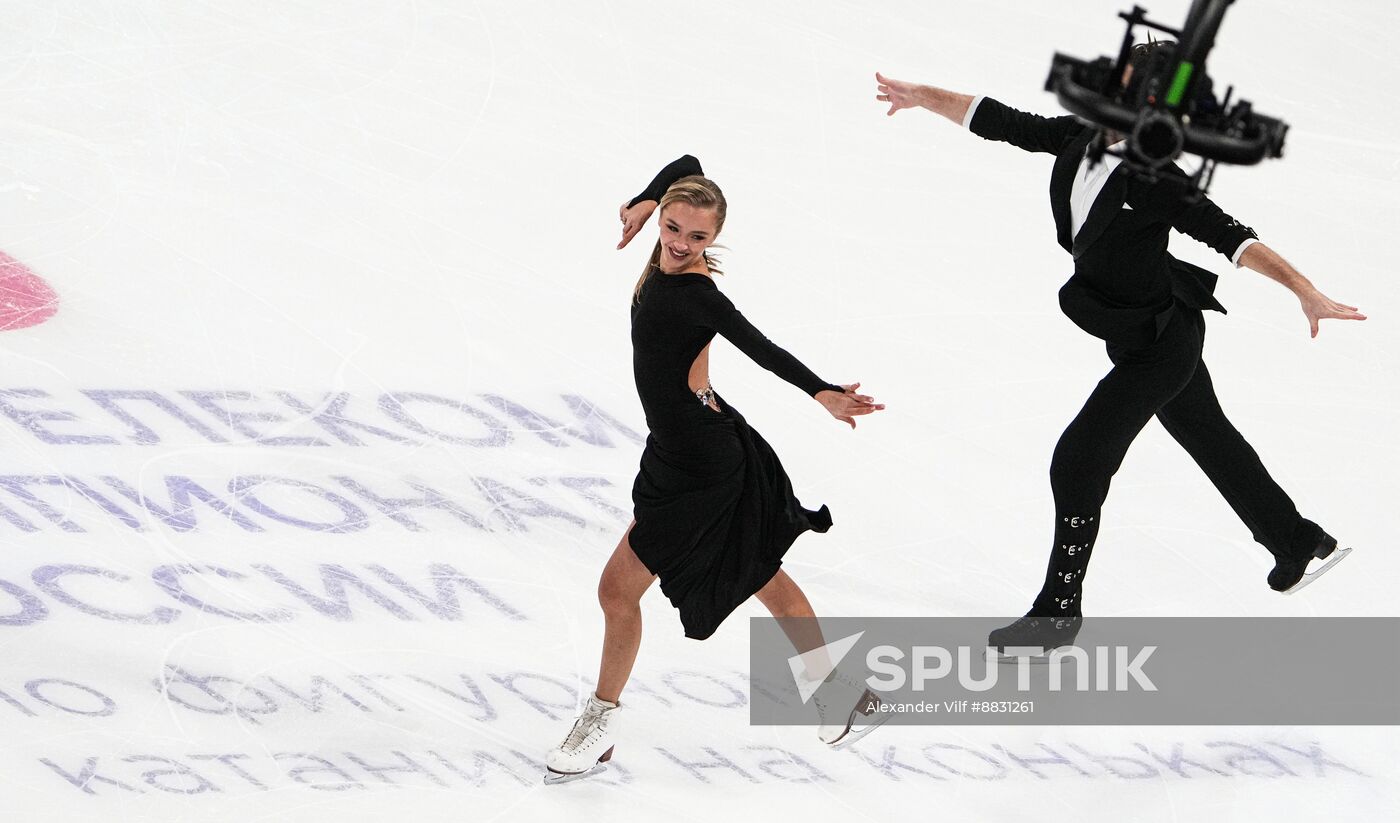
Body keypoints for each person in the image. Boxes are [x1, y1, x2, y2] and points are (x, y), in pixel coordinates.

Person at [873, 42, 1365, 654]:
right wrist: (922, 96)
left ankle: (1057, 614)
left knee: (1078, 460)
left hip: (1161, 342)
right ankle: (1296, 540)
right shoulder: (1081, 135)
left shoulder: (1155, 177)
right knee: (1210, 437)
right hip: (1133, 328)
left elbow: (1229, 236)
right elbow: (998, 120)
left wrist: (1305, 289)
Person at [544, 155, 887, 783]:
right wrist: (647, 199)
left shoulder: (699, 295)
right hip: (687, 448)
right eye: (673, 227)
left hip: (701, 464)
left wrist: (823, 392)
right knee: (759, 572)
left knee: (617, 592)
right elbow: (688, 163)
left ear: (715, 239)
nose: (678, 244)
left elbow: (762, 347)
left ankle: (599, 725)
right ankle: (839, 696)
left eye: (697, 237)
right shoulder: (663, 245)